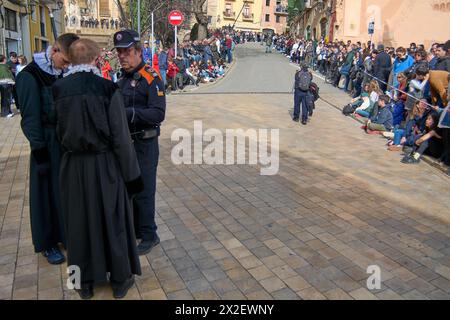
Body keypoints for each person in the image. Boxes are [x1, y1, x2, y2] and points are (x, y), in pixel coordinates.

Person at [53, 38, 143, 300]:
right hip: (104, 165)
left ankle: (82, 284)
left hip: (72, 165)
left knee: (77, 226)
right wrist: (133, 177)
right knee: (113, 220)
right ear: (96, 60)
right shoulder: (107, 88)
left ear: (71, 59)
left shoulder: (58, 89)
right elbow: (121, 138)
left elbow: (58, 130)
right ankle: (119, 281)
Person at [16, 33, 80, 264]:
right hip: (45, 144)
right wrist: (40, 151)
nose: (66, 67)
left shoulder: (60, 74)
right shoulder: (29, 77)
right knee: (43, 195)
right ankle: (47, 243)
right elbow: (30, 119)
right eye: (65, 61)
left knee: (62, 192)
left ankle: (63, 234)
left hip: (63, 142)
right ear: (54, 51)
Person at [114, 30, 166, 255]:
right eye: (119, 53)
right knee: (130, 188)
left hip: (145, 145)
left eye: (126, 52)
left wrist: (128, 114)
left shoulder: (151, 77)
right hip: (127, 144)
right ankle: (135, 229)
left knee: (144, 190)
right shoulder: (122, 79)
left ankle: (149, 234)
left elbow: (158, 113)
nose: (122, 57)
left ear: (138, 52)